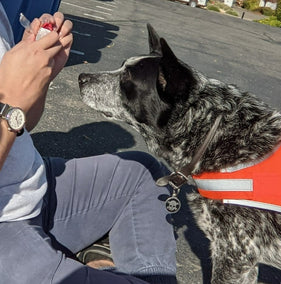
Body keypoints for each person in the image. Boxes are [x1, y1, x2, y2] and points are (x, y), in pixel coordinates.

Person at [0, 4, 177, 284]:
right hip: (5, 228)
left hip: (31, 187)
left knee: (143, 174)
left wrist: (39, 78)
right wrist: (12, 101)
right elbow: (11, 110)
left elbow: (22, 123)